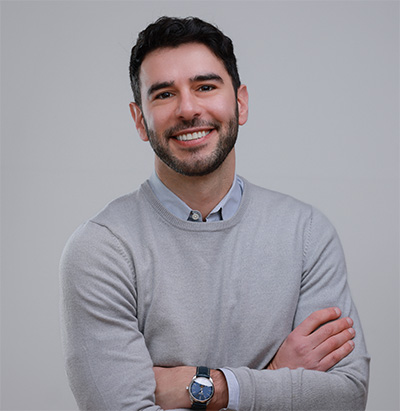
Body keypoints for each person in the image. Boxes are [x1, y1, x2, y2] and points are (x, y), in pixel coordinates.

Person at [60, 16, 370, 411]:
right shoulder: (102, 250)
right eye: (163, 94)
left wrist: (214, 387)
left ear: (240, 103)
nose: (188, 109)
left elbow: (347, 397)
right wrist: (275, 378)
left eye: (205, 87)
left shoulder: (306, 234)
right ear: (140, 120)